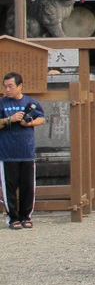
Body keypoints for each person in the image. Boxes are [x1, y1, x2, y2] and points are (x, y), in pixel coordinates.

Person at [0, 72, 46, 230]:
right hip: (7, 152)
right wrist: (9, 119)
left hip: (26, 151)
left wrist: (30, 122)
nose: (7, 90)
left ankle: (26, 216)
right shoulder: (2, 103)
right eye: (5, 86)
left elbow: (42, 118)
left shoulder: (31, 102)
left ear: (20, 86)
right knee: (9, 187)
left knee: (28, 186)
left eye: (10, 86)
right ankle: (13, 218)